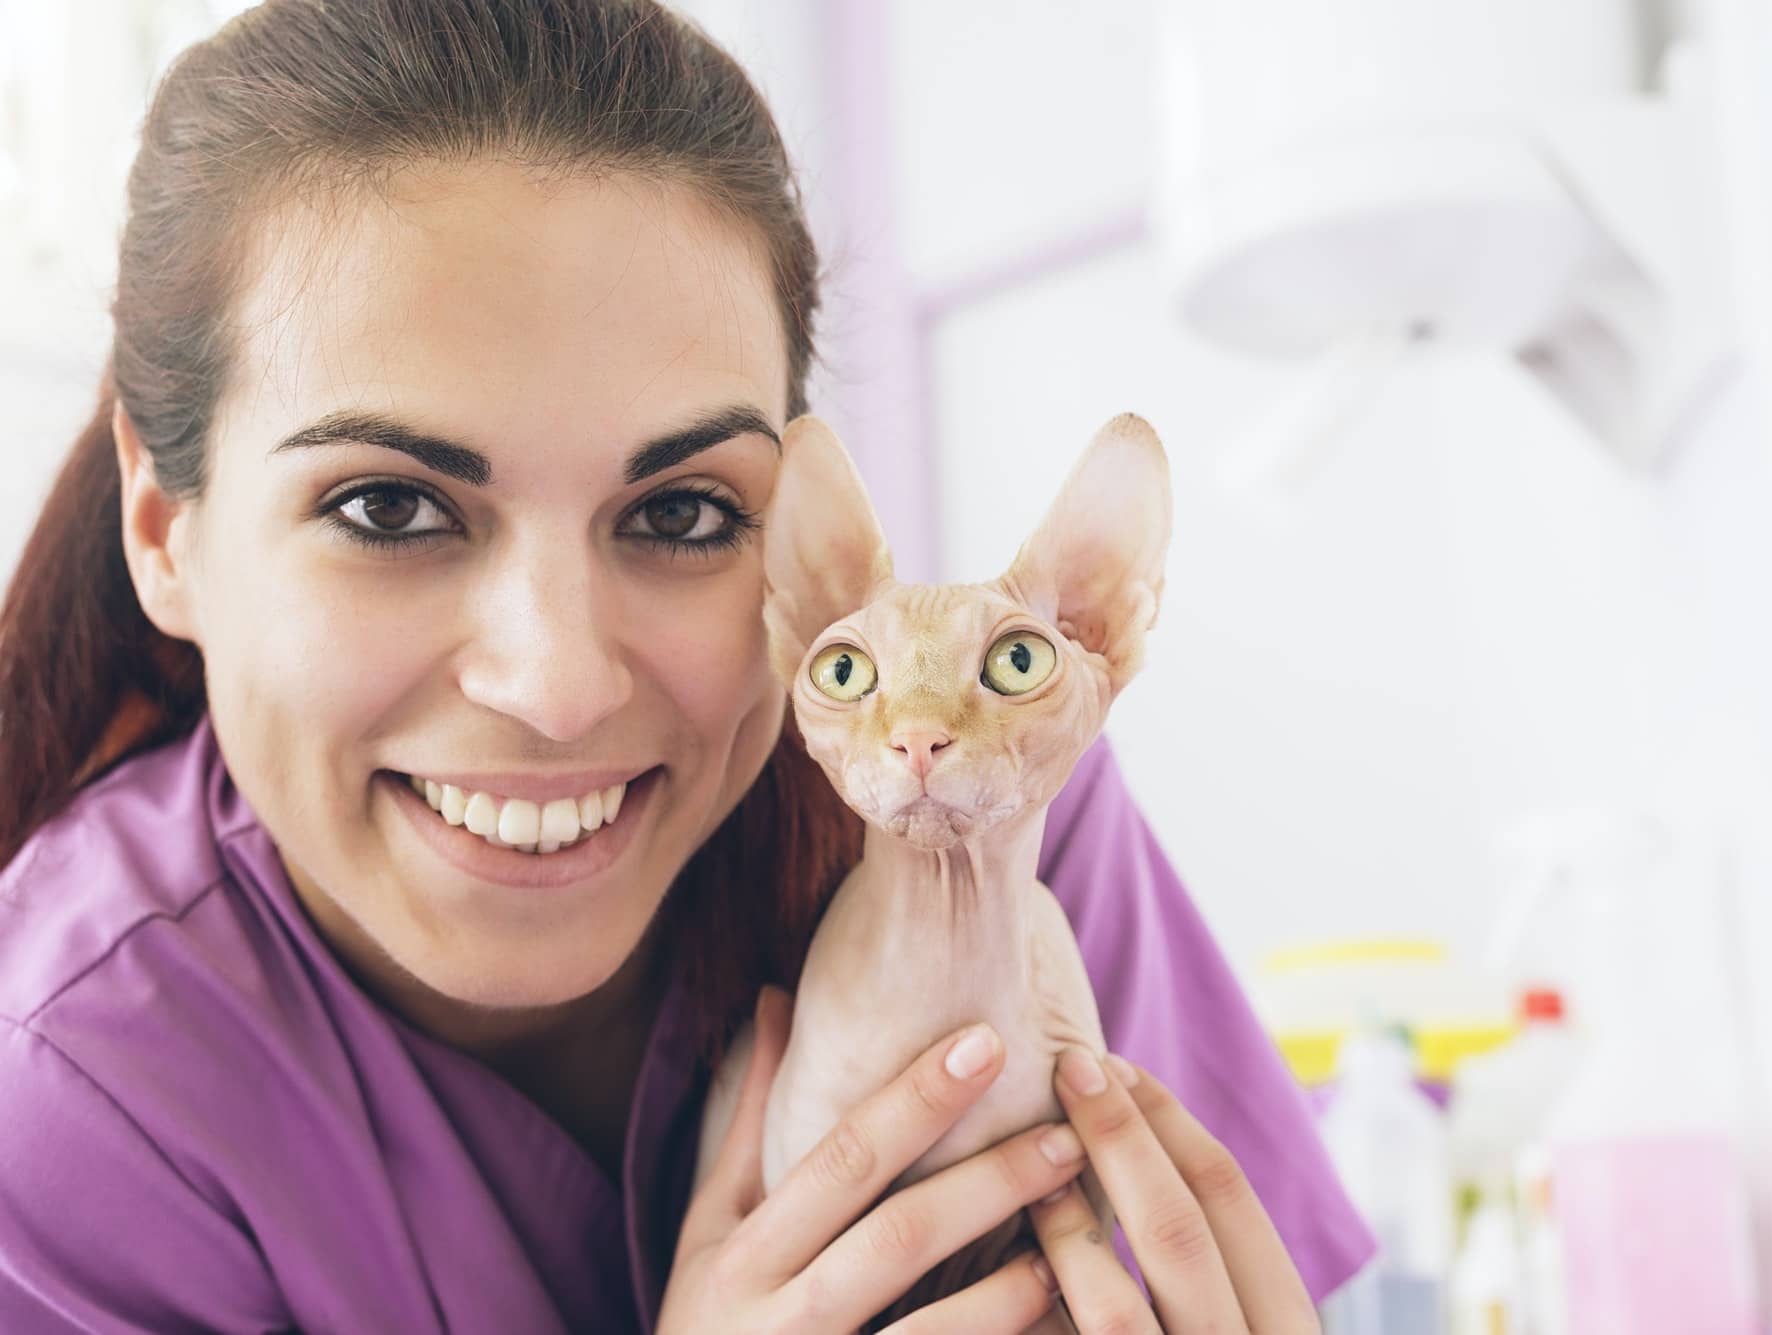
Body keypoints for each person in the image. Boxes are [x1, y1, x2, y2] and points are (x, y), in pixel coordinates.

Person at [0, 1, 1372, 1330]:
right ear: (162, 528)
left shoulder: (998, 805)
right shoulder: (71, 1098)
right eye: (389, 509)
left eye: (682, 514)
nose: (558, 685)